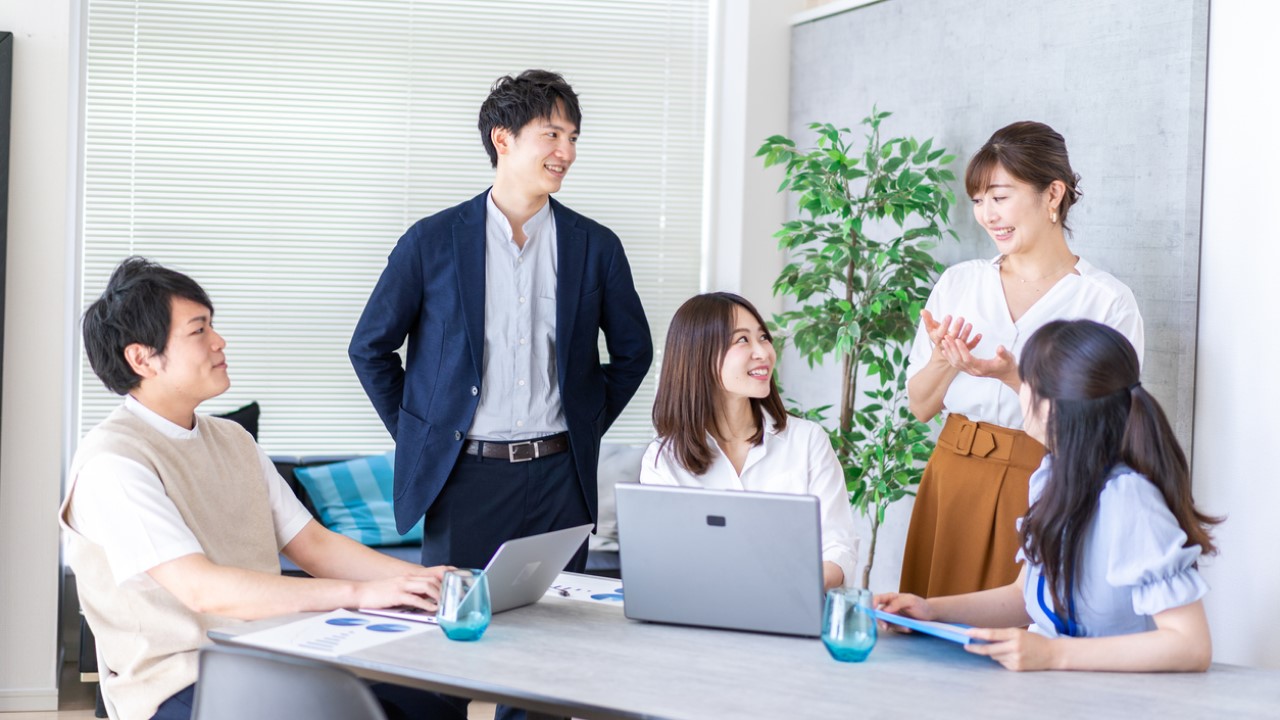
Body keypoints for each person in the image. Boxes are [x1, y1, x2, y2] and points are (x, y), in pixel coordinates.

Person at [60, 257, 463, 720]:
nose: (219, 341)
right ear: (142, 357)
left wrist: (419, 581)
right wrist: (357, 594)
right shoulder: (113, 463)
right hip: (180, 678)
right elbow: (203, 590)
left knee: (429, 708)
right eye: (199, 330)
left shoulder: (233, 441)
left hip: (275, 651)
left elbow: (312, 543)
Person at [349, 70, 653, 577]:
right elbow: (370, 348)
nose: (567, 151)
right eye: (552, 134)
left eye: (573, 137)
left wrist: (585, 421)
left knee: (559, 636)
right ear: (503, 139)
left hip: (562, 479)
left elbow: (633, 352)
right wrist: (420, 433)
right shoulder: (431, 241)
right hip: (464, 478)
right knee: (462, 631)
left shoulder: (595, 246)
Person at [876, 320, 1218, 672]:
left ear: (1053, 405)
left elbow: (1190, 646)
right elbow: (1023, 597)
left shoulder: (1129, 500)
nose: (1019, 390)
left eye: (1026, 381)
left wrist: (1052, 655)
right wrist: (931, 611)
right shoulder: (1050, 476)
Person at [899, 121, 1144, 599]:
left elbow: (1108, 433)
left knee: (1015, 638)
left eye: (1000, 196)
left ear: (1052, 194)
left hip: (1044, 485)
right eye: (978, 200)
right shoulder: (960, 283)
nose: (987, 215)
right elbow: (920, 407)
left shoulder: (1105, 302)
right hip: (949, 480)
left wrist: (1015, 378)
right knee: (927, 643)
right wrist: (948, 361)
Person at [640, 292, 859, 590]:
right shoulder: (664, 459)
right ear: (699, 356)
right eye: (742, 340)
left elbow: (838, 548)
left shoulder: (808, 441)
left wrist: (785, 586)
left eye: (764, 338)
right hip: (700, 618)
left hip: (794, 612)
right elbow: (663, 563)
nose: (763, 352)